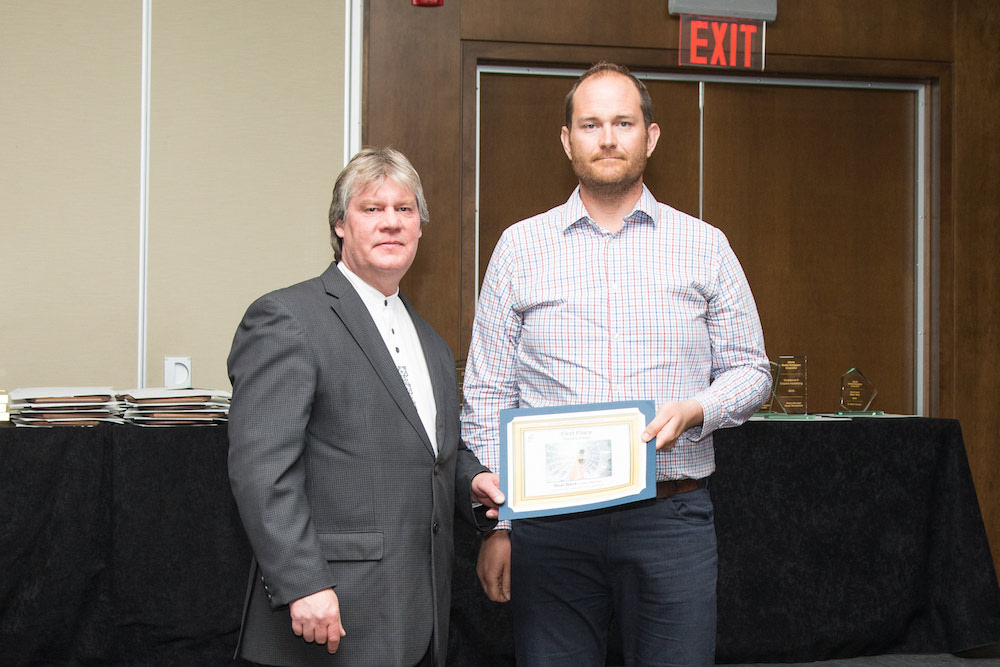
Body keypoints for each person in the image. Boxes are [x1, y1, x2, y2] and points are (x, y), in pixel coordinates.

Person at [461, 63, 771, 666]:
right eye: (591, 124)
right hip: (550, 527)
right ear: (567, 139)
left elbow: (752, 371)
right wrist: (500, 526)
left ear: (650, 137)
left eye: (623, 123)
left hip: (670, 518)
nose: (607, 138)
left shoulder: (705, 246)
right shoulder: (519, 248)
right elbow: (488, 393)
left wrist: (697, 408)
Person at [227, 146, 504, 667]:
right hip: (327, 613)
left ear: (419, 227)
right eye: (372, 208)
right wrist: (302, 582)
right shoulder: (287, 317)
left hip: (418, 617)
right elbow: (261, 470)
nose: (391, 222)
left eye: (404, 209)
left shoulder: (433, 343)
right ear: (340, 225)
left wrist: (471, 481)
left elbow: (431, 454)